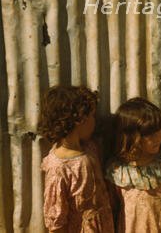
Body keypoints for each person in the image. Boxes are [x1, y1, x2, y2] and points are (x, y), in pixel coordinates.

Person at [39, 85, 115, 232]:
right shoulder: (58, 167)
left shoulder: (89, 148)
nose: (95, 121)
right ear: (80, 119)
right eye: (92, 116)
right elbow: (56, 220)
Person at [106, 98, 161, 233]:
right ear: (130, 137)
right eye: (148, 134)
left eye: (158, 130)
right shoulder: (118, 171)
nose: (157, 137)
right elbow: (113, 204)